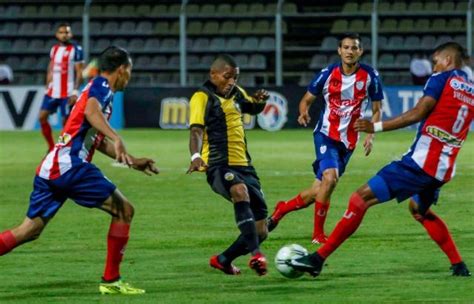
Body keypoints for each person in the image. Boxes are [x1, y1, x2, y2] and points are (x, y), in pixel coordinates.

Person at [288, 42, 472, 277]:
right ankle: (459, 264)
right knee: (419, 210)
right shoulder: (470, 89)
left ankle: (317, 259)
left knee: (359, 199)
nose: (434, 66)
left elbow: (417, 113)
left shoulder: (440, 79)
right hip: (444, 169)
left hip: (420, 164)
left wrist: (375, 126)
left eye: (436, 61)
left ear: (447, 60)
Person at [0, 46, 160, 294]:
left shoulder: (97, 88)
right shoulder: (102, 86)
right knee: (124, 210)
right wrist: (117, 137)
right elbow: (91, 112)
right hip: (70, 166)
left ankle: (111, 281)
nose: (130, 76)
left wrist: (131, 160)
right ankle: (111, 281)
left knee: (29, 231)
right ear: (122, 69)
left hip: (53, 167)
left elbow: (96, 138)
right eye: (130, 70)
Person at [267, 33, 383, 244]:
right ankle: (318, 235)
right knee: (331, 177)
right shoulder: (327, 74)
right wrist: (303, 112)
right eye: (346, 47)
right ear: (339, 50)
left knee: (317, 191)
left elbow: (377, 108)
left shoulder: (370, 76)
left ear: (360, 51)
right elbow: (307, 99)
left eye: (354, 48)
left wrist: (371, 134)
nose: (349, 51)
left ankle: (281, 209)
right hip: (326, 134)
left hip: (348, 142)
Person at [187, 54, 270, 276]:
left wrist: (260, 101)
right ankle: (256, 255)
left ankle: (223, 260)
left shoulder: (235, 93)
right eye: (227, 77)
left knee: (261, 229)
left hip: (245, 166)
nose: (232, 81)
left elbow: (252, 108)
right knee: (239, 191)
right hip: (218, 165)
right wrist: (195, 155)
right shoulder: (201, 97)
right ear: (213, 75)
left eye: (235, 77)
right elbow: (196, 129)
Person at [39, 23, 84, 152]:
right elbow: (51, 68)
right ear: (57, 34)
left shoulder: (76, 50)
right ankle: (51, 146)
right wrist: (47, 85)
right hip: (53, 91)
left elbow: (80, 72)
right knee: (42, 117)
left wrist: (75, 91)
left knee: (66, 123)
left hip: (68, 92)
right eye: (61, 32)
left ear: (71, 34)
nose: (64, 35)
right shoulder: (54, 49)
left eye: (67, 32)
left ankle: (62, 147)